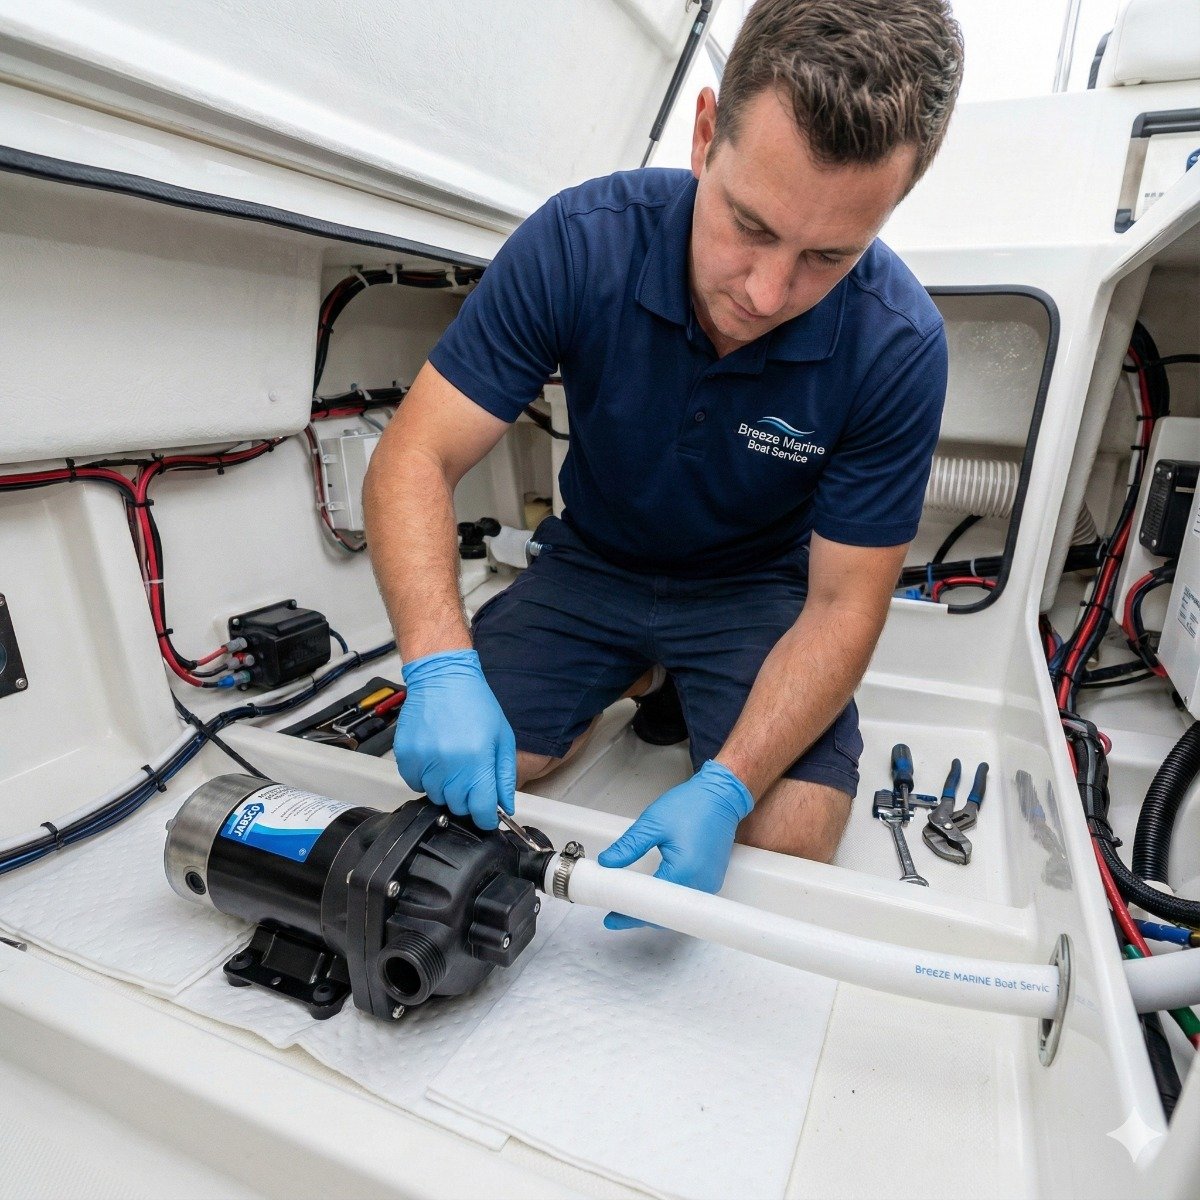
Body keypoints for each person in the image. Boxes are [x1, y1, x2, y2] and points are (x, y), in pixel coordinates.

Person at [363, 0, 964, 927]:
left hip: (753, 590)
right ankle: (644, 673)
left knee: (794, 830)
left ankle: (678, 683)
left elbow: (845, 604)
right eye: (751, 226)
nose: (767, 292)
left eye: (827, 257)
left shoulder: (899, 344)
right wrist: (438, 667)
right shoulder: (579, 239)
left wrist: (727, 788)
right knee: (466, 772)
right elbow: (415, 455)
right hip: (591, 564)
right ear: (704, 133)